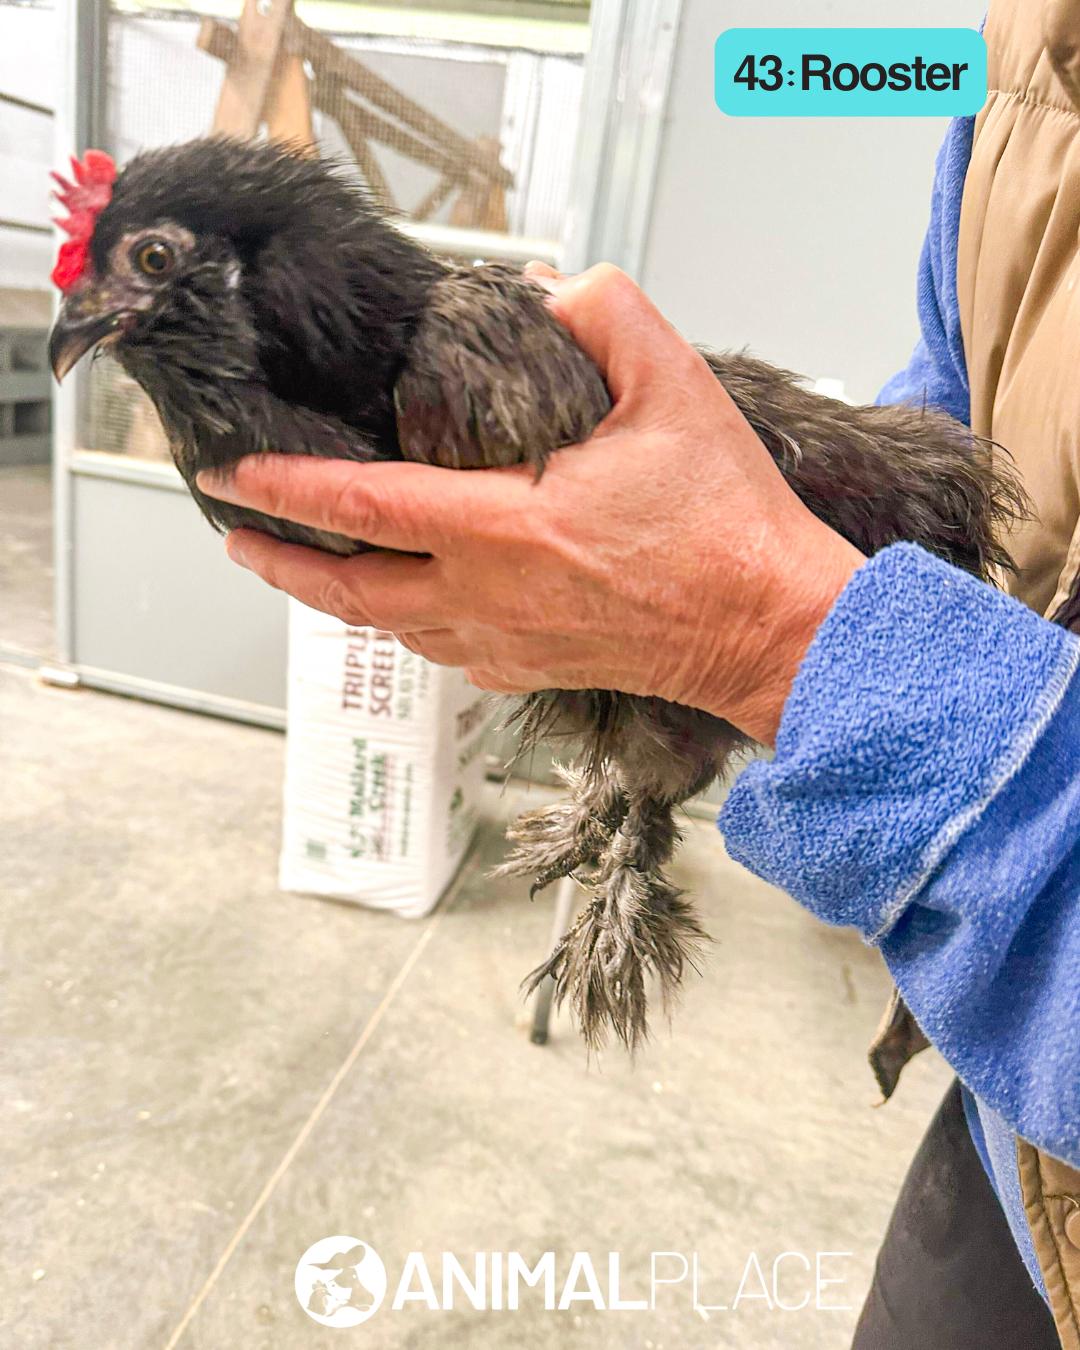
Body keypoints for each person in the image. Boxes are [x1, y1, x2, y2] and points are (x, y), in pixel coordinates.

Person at [195, 6, 1080, 1342]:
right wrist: (737, 549)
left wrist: (771, 637)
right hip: (1013, 1113)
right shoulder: (1032, 40)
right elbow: (962, 389)